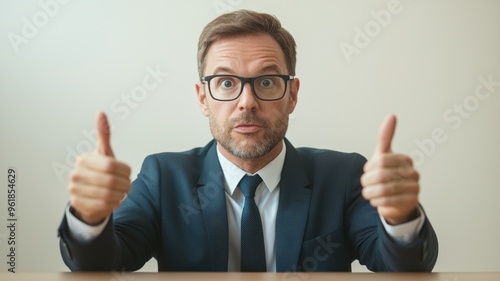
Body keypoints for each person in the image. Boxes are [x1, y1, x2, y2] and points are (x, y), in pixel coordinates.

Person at [58, 10, 438, 272]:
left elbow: (404, 268)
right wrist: (90, 219)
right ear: (203, 98)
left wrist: (400, 217)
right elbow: (104, 265)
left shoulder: (344, 175)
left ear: (292, 95)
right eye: (225, 82)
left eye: (267, 81)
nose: (247, 101)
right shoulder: (163, 176)